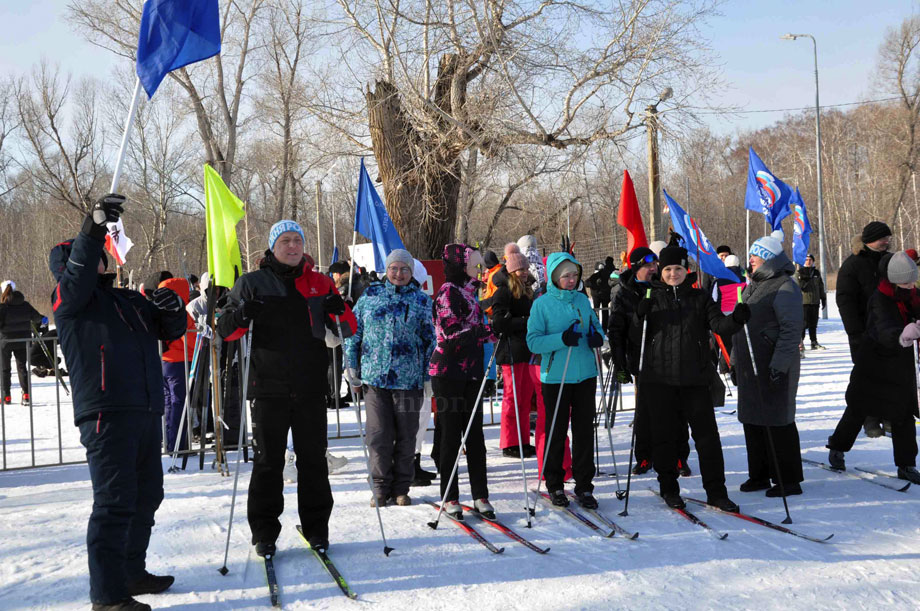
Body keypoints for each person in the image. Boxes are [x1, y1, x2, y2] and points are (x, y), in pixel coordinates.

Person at [49, 193, 186, 611]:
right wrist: (91, 228)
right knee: (113, 503)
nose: (99, 259)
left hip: (145, 410)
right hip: (106, 413)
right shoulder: (70, 302)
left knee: (147, 494)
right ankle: (107, 597)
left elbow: (169, 330)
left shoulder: (127, 299)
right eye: (87, 255)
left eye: (98, 253)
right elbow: (76, 276)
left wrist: (173, 309)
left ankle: (130, 570)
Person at [217, 219, 356, 556]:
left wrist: (340, 310)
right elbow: (225, 330)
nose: (293, 247)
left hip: (309, 385)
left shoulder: (320, 283)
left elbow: (347, 329)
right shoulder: (251, 283)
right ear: (273, 246)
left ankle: (317, 529)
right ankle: (264, 533)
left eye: (297, 241)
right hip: (267, 386)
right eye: (286, 241)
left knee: (313, 461)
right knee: (268, 462)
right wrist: (240, 316)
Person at [632, 245, 746, 510]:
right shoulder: (652, 297)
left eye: (679, 269)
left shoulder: (700, 298)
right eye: (669, 269)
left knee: (707, 438)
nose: (673, 274)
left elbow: (719, 325)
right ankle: (669, 488)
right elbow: (636, 335)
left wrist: (737, 320)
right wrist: (640, 314)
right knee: (664, 438)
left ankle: (717, 492)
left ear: (687, 271)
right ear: (661, 271)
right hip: (659, 380)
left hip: (695, 379)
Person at [344, 249, 436, 507]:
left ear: (411, 272)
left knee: (407, 436)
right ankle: (380, 487)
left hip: (409, 380)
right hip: (375, 378)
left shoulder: (421, 300)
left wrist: (429, 375)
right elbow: (354, 333)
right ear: (387, 269)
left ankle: (401, 488)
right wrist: (350, 365)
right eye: (394, 268)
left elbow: (432, 340)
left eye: (404, 269)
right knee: (378, 435)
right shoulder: (370, 295)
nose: (399, 273)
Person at [827, 252, 920, 484]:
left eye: (913, 281)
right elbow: (883, 327)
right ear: (894, 280)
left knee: (904, 414)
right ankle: (837, 447)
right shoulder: (880, 298)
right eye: (906, 282)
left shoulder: (914, 295)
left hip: (901, 366)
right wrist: (902, 334)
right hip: (874, 363)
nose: (911, 286)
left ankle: (906, 464)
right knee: (858, 408)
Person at [526, 251, 604, 509]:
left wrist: (597, 337)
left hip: (585, 373)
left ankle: (584, 486)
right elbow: (533, 341)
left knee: (584, 431)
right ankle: (555, 484)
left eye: (574, 275)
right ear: (555, 278)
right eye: (566, 276)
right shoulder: (542, 304)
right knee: (556, 431)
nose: (571, 280)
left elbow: (596, 326)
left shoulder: (583, 300)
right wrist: (560, 339)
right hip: (556, 375)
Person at [732, 231, 805, 497]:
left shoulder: (785, 286)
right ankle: (759, 474)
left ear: (769, 259)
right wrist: (734, 361)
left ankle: (788, 480)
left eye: (756, 255)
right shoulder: (753, 284)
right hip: (751, 364)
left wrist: (779, 366)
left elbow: (790, 331)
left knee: (777, 420)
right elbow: (740, 325)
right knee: (753, 419)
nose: (750, 259)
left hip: (774, 365)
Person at [609, 247, 690, 476]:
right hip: (642, 360)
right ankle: (644, 456)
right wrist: (620, 364)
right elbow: (616, 330)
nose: (654, 269)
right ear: (636, 268)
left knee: (676, 410)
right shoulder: (624, 292)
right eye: (648, 266)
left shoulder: (663, 287)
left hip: (669, 357)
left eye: (655, 265)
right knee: (645, 411)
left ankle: (679, 457)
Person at [429, 244, 495, 519]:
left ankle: (481, 494)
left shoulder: (471, 292)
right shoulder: (447, 292)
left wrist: (496, 328)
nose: (479, 269)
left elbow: (482, 336)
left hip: (472, 372)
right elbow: (453, 332)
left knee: (475, 434)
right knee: (451, 435)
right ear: (460, 265)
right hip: (448, 373)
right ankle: (450, 495)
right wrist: (488, 328)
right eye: (474, 264)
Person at [837, 221, 892, 437]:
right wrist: (855, 332)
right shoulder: (853, 264)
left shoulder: (891, 260)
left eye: (888, 238)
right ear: (869, 240)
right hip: (864, 332)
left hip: (890, 331)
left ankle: (889, 416)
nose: (886, 242)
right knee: (867, 377)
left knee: (890, 375)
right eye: (882, 238)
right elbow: (845, 300)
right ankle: (870, 419)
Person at [492, 252, 540, 459]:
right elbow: (499, 323)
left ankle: (522, 440)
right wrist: (524, 321)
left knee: (524, 397)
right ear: (512, 271)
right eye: (520, 269)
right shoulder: (503, 291)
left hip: (526, 349)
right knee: (512, 397)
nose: (524, 272)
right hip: (511, 349)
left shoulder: (528, 289)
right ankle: (510, 441)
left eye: (526, 268)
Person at [157, 277, 197, 453]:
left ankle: (170, 441)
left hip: (165, 362)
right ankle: (178, 445)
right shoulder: (181, 315)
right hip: (180, 362)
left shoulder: (159, 312)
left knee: (169, 403)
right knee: (179, 404)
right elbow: (192, 340)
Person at [0, 281, 43, 405]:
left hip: (6, 341)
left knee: (5, 369)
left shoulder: (2, 307)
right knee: (22, 367)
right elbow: (37, 318)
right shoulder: (25, 305)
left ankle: (6, 396)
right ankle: (26, 395)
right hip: (23, 341)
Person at [797, 254, 827, 351]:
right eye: (806, 259)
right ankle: (801, 343)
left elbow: (820, 286)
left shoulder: (816, 273)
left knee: (813, 323)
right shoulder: (799, 272)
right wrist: (803, 281)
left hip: (814, 302)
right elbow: (797, 287)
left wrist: (823, 299)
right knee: (803, 324)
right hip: (803, 302)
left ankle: (814, 342)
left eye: (810, 260)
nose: (808, 261)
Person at [587, 257, 616, 332]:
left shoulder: (600, 273)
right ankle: (604, 329)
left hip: (597, 294)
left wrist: (594, 287)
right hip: (605, 295)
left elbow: (588, 282)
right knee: (604, 311)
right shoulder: (612, 271)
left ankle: (597, 327)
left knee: (597, 310)